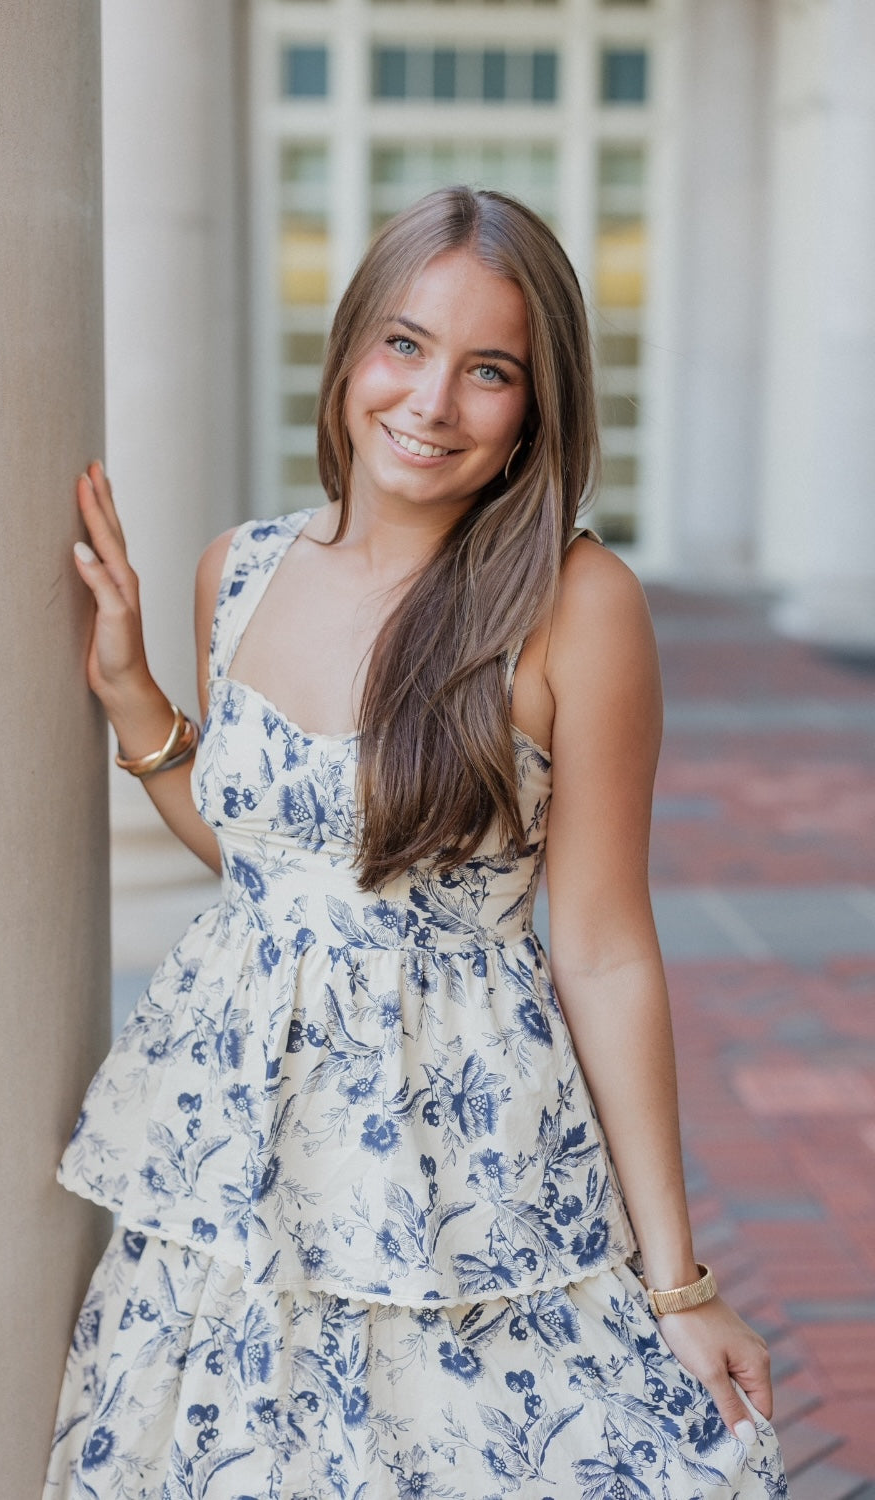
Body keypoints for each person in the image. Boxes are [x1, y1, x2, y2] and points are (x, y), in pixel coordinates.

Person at [45, 188, 786, 1499]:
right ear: (346, 358)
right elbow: (283, 873)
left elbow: (606, 952)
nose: (431, 401)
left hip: (463, 1168)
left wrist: (679, 1285)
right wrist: (134, 701)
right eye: (403, 345)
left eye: (488, 370)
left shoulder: (578, 604)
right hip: (236, 1160)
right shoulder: (243, 568)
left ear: (535, 410)